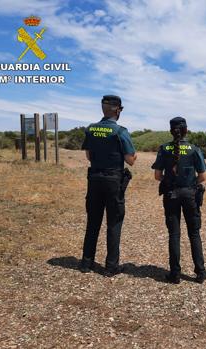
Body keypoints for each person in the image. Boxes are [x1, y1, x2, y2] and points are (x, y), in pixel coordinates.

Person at [79, 95, 137, 276]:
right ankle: (111, 266)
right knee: (114, 222)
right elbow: (130, 160)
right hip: (113, 181)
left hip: (94, 179)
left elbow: (88, 156)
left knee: (93, 222)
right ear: (117, 110)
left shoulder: (90, 129)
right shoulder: (120, 131)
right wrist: (134, 156)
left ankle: (86, 262)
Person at [151, 117, 206, 284]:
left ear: (171, 131)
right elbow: (203, 177)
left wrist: (169, 181)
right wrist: (190, 184)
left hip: (170, 195)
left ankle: (174, 273)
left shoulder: (164, 148)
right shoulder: (194, 149)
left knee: (174, 234)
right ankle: (200, 272)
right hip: (190, 195)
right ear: (186, 131)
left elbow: (157, 176)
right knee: (194, 233)